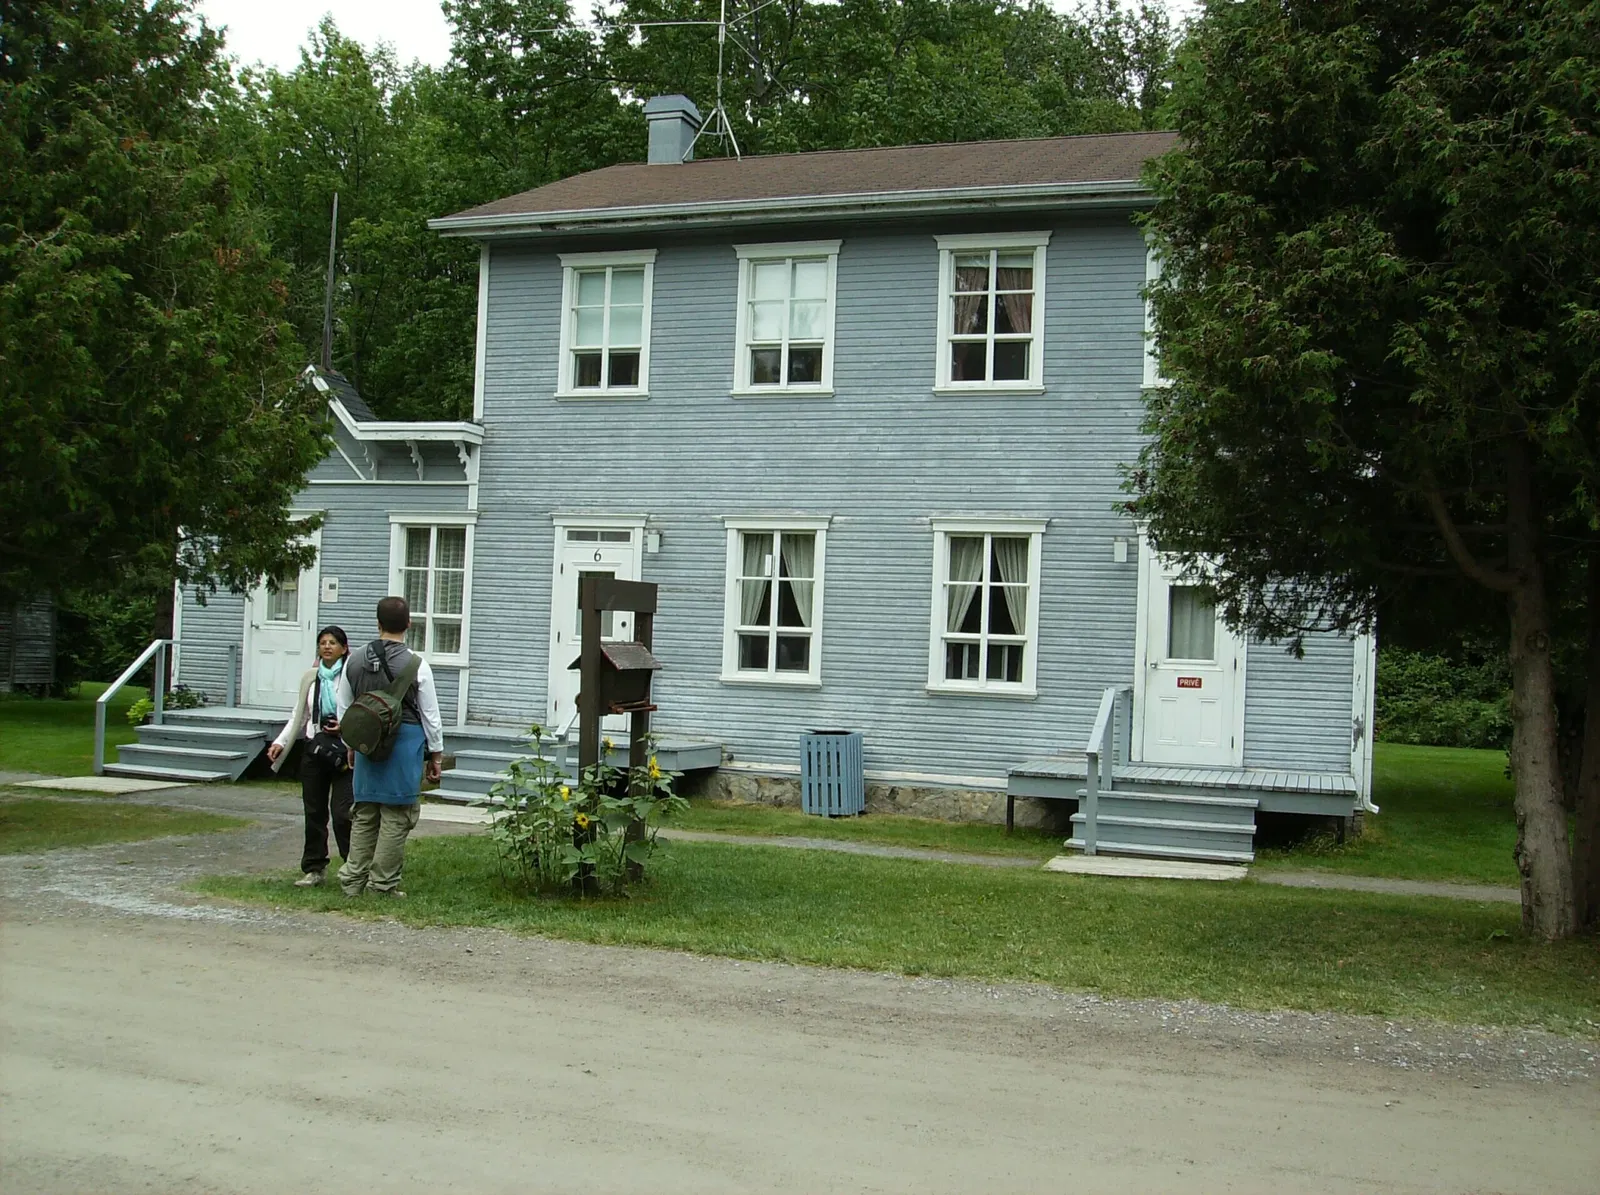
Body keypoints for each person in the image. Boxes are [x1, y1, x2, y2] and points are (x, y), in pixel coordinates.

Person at [335, 596, 444, 898]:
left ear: (378, 623)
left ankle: (352, 880)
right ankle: (382, 884)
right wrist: (435, 754)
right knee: (398, 815)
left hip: (367, 743)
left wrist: (351, 745)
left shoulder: (353, 661)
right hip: (404, 744)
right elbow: (430, 715)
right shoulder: (417, 665)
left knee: (366, 812)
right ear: (409, 624)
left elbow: (344, 709)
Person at [266, 626, 354, 888]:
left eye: (333, 643)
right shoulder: (311, 679)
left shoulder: (351, 678)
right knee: (314, 811)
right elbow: (299, 715)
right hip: (315, 749)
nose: (327, 647)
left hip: (343, 750)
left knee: (342, 812)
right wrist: (281, 742)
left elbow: (360, 712)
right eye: (323, 643)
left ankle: (353, 866)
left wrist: (344, 725)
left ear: (344, 648)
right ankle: (314, 867)